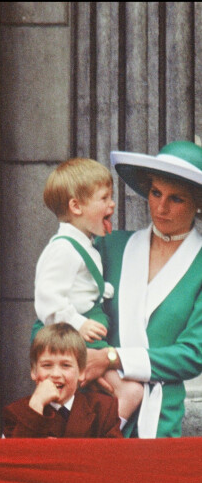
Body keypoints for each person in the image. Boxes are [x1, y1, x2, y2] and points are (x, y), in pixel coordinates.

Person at [86, 140, 202, 438]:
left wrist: (113, 358)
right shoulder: (110, 246)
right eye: (155, 193)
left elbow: (193, 354)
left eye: (176, 198)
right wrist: (94, 357)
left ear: (198, 203)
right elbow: (62, 312)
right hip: (96, 401)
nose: (161, 207)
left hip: (161, 417)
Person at [32, 158, 143, 428]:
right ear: (76, 206)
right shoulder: (63, 249)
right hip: (71, 337)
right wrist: (79, 324)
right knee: (131, 391)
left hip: (78, 337)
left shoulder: (83, 244)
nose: (112, 205)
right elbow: (48, 300)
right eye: (104, 198)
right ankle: (101, 441)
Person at [2, 323, 122, 438]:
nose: (55, 374)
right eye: (47, 365)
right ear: (34, 372)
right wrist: (35, 407)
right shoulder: (15, 412)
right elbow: (17, 455)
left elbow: (114, 456)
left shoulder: (103, 409)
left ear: (81, 372)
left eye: (65, 365)